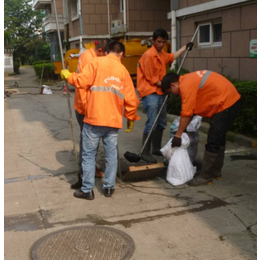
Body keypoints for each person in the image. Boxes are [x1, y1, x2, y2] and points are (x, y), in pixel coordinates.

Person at [60, 41, 140, 200]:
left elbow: (81, 81)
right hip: (113, 122)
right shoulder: (123, 71)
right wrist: (130, 117)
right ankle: (109, 187)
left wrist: (69, 76)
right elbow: (131, 97)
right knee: (111, 156)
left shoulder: (95, 62)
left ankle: (87, 190)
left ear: (107, 51)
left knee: (88, 156)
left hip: (94, 119)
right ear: (121, 54)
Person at [161, 70, 241, 186]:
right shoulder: (188, 79)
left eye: (170, 92)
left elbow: (187, 113)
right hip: (229, 101)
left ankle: (206, 176)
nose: (174, 94)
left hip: (226, 104)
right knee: (219, 137)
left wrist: (178, 135)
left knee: (213, 139)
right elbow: (192, 110)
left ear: (173, 85)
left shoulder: (185, 86)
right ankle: (215, 171)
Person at [137, 28, 193, 164]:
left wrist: (185, 48)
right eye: (159, 42)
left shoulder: (161, 54)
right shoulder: (149, 55)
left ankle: (156, 148)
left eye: (163, 42)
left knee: (161, 122)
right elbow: (152, 79)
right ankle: (145, 152)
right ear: (153, 40)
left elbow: (172, 56)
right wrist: (170, 87)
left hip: (161, 92)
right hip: (151, 92)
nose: (161, 44)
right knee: (152, 122)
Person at [71, 39, 111, 190]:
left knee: (88, 140)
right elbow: (82, 85)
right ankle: (85, 172)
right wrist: (87, 108)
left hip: (93, 105)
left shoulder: (91, 56)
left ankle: (89, 169)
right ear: (100, 51)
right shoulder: (89, 58)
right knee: (87, 142)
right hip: (86, 107)